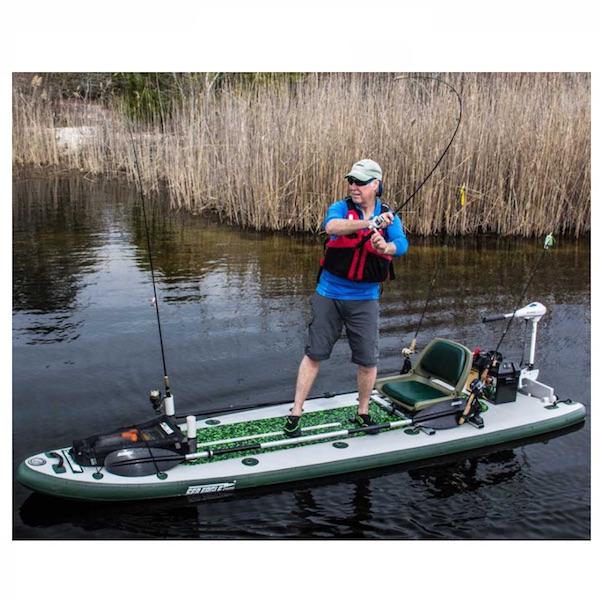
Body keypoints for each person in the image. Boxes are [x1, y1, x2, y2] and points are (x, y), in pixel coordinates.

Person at [284, 159, 409, 437]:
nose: (354, 186)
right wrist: (368, 224)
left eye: (360, 182)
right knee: (314, 354)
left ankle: (362, 412)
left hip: (365, 299)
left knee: (367, 360)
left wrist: (385, 245)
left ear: (376, 185)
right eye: (351, 181)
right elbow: (331, 227)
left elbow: (401, 244)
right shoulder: (341, 208)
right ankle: (295, 412)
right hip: (329, 294)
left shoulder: (390, 216)